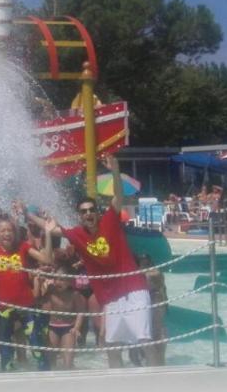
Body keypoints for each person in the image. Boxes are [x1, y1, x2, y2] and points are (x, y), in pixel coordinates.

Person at [43, 156, 157, 367]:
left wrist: (115, 170)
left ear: (97, 212)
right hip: (111, 297)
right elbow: (53, 228)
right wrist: (38, 220)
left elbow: (118, 198)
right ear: (80, 216)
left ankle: (156, 383)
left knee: (145, 340)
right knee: (112, 346)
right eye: (84, 211)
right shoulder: (77, 234)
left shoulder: (110, 221)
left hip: (133, 289)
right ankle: (118, 385)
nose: (88, 214)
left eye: (91, 210)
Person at [0, 212, 52, 371]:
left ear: (15, 232)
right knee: (5, 344)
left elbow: (47, 259)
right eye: (2, 230)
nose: (7, 233)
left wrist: (48, 233)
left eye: (10, 230)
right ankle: (7, 376)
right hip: (4, 308)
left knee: (36, 342)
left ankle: (44, 373)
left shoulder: (23, 247)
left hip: (26, 305)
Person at [35, 266, 85, 370]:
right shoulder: (51, 291)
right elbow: (40, 302)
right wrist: (39, 283)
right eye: (56, 279)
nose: (58, 282)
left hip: (68, 328)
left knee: (68, 361)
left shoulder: (74, 294)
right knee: (50, 359)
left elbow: (80, 312)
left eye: (62, 280)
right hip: (53, 327)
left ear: (70, 281)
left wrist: (76, 328)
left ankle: (69, 379)